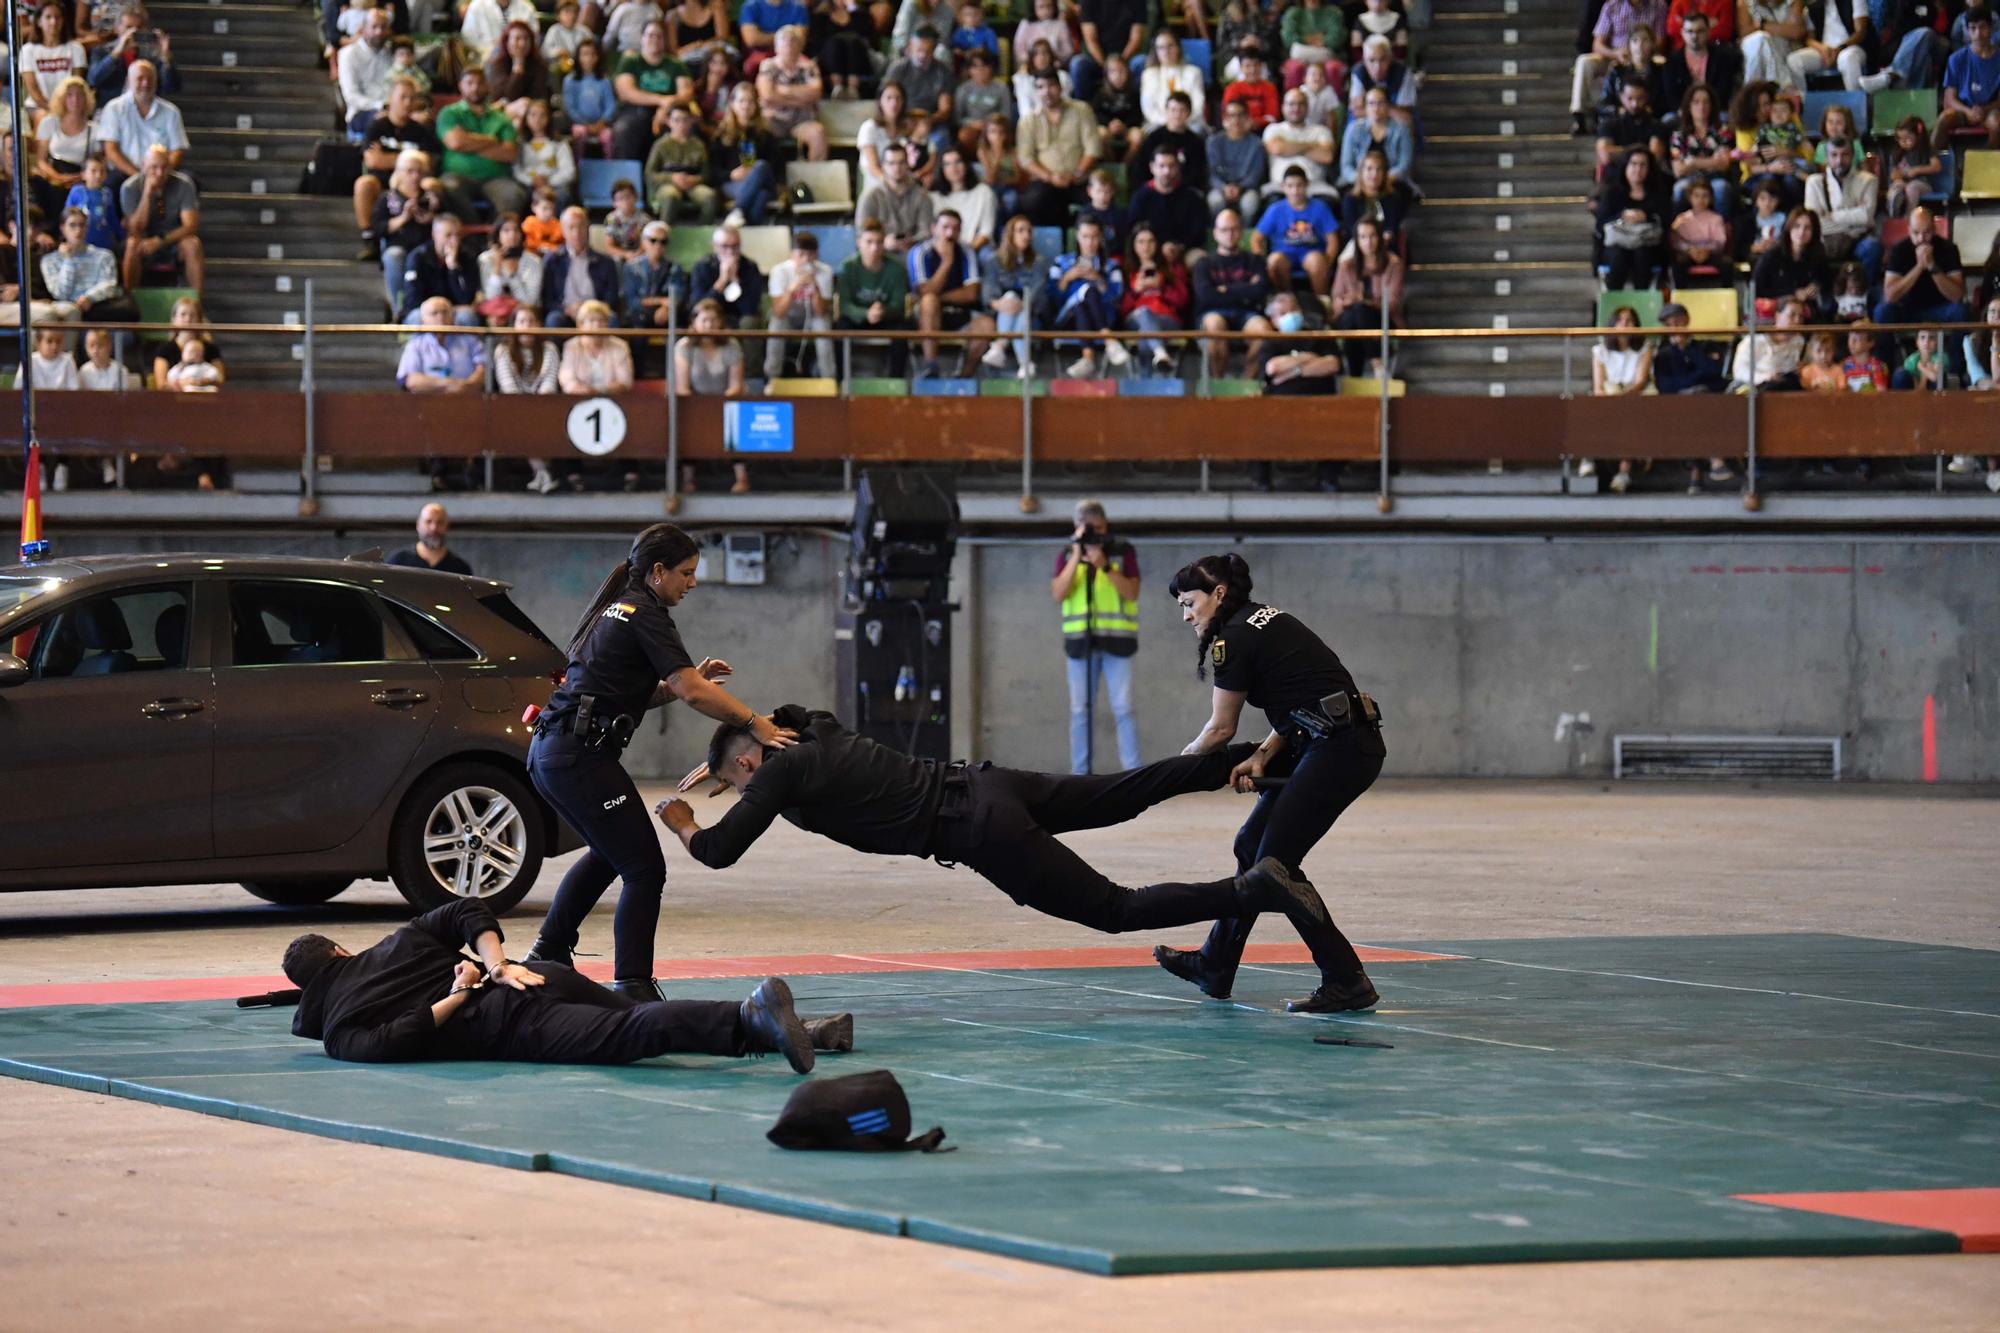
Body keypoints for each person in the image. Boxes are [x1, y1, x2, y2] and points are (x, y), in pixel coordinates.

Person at [661, 704, 1353, 1017]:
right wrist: (737, 737)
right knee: (1123, 793)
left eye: (735, 781)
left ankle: (1251, 890)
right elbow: (782, 716)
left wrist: (682, 818)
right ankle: (1271, 753)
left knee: (1116, 908)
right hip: (987, 783)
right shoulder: (815, 728)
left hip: (977, 827)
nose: (739, 792)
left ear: (750, 762)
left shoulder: (779, 773)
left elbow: (719, 852)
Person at [522, 525, 799, 995]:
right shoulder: (645, 614)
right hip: (578, 756)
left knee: (611, 855)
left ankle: (548, 953)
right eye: (685, 573)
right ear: (657, 572)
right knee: (644, 867)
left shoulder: (620, 607)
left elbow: (635, 692)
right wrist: (755, 723)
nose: (691, 583)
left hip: (552, 752)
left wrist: (682, 683)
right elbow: (694, 692)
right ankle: (632, 984)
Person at [1151, 553, 1388, 1014]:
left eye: (1190, 604)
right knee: (1251, 847)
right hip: (1329, 739)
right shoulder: (1262, 620)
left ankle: (1346, 980)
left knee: (1274, 866)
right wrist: (1263, 753)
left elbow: (1220, 730)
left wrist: (1170, 772)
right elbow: (1304, 696)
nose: (1186, 616)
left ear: (1218, 594)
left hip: (1337, 750)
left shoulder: (1232, 638)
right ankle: (1214, 965)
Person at [277, 900, 826, 1072]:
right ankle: (791, 1031)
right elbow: (467, 911)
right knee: (628, 1016)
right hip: (540, 974)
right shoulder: (400, 939)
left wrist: (468, 988)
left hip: (508, 1018)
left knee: (628, 1032)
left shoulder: (340, 1027)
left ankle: (754, 1017)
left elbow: (394, 1039)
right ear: (339, 950)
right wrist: (497, 964)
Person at [1050, 498, 1141, 771]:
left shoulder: (1122, 551)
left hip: (1118, 643)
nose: (1095, 535)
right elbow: (1058, 593)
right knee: (1080, 711)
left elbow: (1131, 592)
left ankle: (1133, 773)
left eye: (1099, 528)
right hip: (1080, 644)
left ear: (1106, 525)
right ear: (1077, 527)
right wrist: (1078, 554)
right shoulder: (1066, 554)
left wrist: (1104, 566)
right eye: (1088, 529)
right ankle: (1080, 776)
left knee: (1123, 709)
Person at [354, 78, 443, 258]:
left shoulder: (421, 130)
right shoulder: (377, 127)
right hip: (382, 180)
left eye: (412, 98)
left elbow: (427, 163)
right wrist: (410, 158)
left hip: (414, 181)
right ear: (391, 99)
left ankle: (433, 234)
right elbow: (372, 161)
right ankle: (370, 239)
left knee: (434, 184)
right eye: (403, 97)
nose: (408, 103)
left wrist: (388, 158)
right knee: (364, 183)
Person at [908, 207, 994, 376]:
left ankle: (964, 375)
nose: (950, 233)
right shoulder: (920, 252)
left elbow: (971, 293)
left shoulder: (966, 251)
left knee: (987, 325)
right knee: (929, 302)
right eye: (945, 227)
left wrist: (937, 296)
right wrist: (947, 262)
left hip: (960, 312)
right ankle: (931, 365)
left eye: (955, 229)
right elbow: (924, 291)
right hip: (926, 314)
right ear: (934, 229)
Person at [1194, 207, 1272, 377]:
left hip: (1248, 313)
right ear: (1215, 233)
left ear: (1241, 231)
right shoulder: (1204, 263)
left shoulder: (1255, 261)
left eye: (1234, 229)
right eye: (1224, 230)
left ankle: (1246, 388)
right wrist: (1245, 288)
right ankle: (1217, 386)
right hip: (1212, 313)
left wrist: (1224, 290)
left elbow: (1259, 291)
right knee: (1215, 326)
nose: (1229, 234)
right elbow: (1205, 296)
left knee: (1265, 332)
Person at [438, 67, 526, 218]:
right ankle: (473, 235)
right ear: (460, 86)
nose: (475, 88)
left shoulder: (501, 118)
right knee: (448, 187)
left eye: (479, 83)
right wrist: (491, 140)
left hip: (495, 178)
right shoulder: (449, 113)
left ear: (487, 86)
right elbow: (455, 143)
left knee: (514, 195)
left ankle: (498, 236)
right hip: (457, 175)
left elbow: (509, 154)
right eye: (469, 83)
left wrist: (467, 142)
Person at [1018, 67, 1100, 227]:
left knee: (1100, 199)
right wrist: (1050, 177)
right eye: (1040, 87)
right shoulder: (1028, 120)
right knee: (1031, 202)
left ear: (1060, 87)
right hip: (1046, 181)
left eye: (1051, 85)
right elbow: (1025, 159)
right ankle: (1052, 245)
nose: (1046, 91)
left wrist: (1077, 174)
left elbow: (1093, 148)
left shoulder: (1082, 110)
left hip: (1079, 178)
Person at [117, 142, 202, 294]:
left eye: (164, 167)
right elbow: (135, 229)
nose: (159, 173)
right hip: (143, 240)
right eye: (153, 167)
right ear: (144, 166)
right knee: (132, 244)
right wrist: (147, 194)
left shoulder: (184, 184)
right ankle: (130, 301)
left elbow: (190, 226)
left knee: (193, 244)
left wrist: (160, 240)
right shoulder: (130, 187)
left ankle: (196, 303)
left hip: (172, 240)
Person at [1047, 215, 1125, 377]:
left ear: (1101, 237)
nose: (1089, 242)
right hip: (1069, 319)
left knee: (1084, 300)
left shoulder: (1111, 266)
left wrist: (1099, 280)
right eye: (1085, 237)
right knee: (1084, 293)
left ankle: (1088, 358)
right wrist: (1067, 278)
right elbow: (1052, 297)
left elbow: (1117, 300)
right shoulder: (1061, 262)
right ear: (1077, 236)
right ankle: (1109, 340)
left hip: (1102, 317)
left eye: (1094, 236)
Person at [1329, 214, 1403, 378]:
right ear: (1356, 240)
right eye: (1362, 237)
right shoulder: (1346, 265)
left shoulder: (1393, 264)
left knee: (1360, 311)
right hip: (1349, 319)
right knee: (1353, 315)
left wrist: (1366, 302)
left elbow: (1393, 302)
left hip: (1382, 319)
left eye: (1372, 236)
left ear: (1380, 237)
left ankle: (1355, 376)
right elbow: (1336, 299)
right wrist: (1348, 301)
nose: (1368, 242)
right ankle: (1377, 364)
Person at [836, 219, 913, 377]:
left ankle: (896, 381)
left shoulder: (897, 269)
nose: (874, 247)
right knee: (839, 328)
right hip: (857, 318)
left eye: (879, 242)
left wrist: (882, 311)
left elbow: (899, 305)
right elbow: (845, 305)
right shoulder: (847, 267)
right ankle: (841, 379)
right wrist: (866, 313)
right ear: (859, 243)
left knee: (903, 329)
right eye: (869, 242)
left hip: (886, 317)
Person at [1872, 206, 1967, 330]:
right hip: (1907, 309)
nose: (1921, 238)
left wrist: (1932, 267)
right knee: (1882, 311)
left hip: (1940, 307)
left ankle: (1953, 350)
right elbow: (1890, 296)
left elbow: (1957, 295)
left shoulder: (1949, 249)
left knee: (1961, 311)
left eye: (1926, 232)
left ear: (1934, 229)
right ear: (1909, 230)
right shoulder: (1899, 251)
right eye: (1916, 233)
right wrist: (1919, 267)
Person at [611, 20, 694, 162]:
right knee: (623, 130)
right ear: (642, 38)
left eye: (659, 36)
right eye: (650, 35)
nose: (654, 40)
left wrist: (668, 105)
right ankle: (627, 179)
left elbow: (686, 93)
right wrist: (661, 100)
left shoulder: (676, 64)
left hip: (669, 112)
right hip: (634, 110)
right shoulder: (630, 61)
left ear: (665, 40)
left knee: (684, 127)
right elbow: (626, 92)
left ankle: (673, 177)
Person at [1254, 164, 1340, 298]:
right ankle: (1286, 303)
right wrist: (1262, 262)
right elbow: (1257, 238)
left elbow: (1333, 239)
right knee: (1274, 261)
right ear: (1283, 187)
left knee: (1317, 261)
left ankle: (1323, 303)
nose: (1295, 191)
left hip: (1311, 254)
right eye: (1290, 186)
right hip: (1284, 255)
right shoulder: (1275, 209)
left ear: (1307, 185)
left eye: (1299, 185)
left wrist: (1327, 262)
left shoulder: (1320, 207)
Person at [94, 59, 186, 180]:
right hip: (125, 173)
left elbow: (177, 150)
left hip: (163, 174)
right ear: (129, 81)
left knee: (189, 182)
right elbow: (111, 150)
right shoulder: (114, 108)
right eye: (140, 78)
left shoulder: (171, 112)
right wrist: (138, 177)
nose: (145, 83)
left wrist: (161, 174)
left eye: (150, 79)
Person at [1119, 222, 1188, 375]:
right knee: (1144, 314)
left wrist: (1162, 288)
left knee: (1146, 332)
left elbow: (1182, 301)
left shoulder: (1171, 267)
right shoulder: (1126, 269)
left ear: (1157, 244)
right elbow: (1121, 310)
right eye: (1141, 242)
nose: (1146, 246)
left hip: (1167, 320)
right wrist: (1136, 291)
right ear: (1133, 244)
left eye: (1151, 241)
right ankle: (1160, 353)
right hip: (1135, 320)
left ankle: (1146, 387)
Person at [766, 230, 835, 379]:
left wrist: (815, 289)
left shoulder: (825, 272)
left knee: (823, 325)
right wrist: (792, 289)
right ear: (792, 254)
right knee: (776, 325)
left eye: (810, 255)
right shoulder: (779, 271)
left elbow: (821, 312)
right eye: (801, 254)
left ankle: (829, 377)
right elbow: (778, 311)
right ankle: (771, 377)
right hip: (787, 316)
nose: (806, 260)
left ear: (816, 255)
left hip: (813, 317)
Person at [1596, 147, 1668, 291]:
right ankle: (1614, 304)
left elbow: (1666, 221)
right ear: (1625, 166)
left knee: (1642, 255)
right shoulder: (1612, 193)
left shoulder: (1658, 193)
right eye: (1633, 164)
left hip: (1647, 244)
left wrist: (1646, 217)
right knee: (1618, 256)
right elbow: (1600, 224)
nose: (1638, 169)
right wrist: (1622, 217)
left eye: (1643, 165)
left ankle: (1641, 302)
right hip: (1618, 243)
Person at [754, 24, 829, 162]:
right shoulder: (768, 65)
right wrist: (801, 99)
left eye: (793, 40)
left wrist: (784, 91)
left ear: (800, 46)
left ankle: (814, 177)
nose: (789, 44)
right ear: (776, 47)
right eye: (784, 40)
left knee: (818, 133)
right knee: (758, 130)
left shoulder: (809, 66)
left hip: (802, 121)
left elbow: (816, 93)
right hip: (773, 119)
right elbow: (767, 95)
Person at [540, 205, 622, 328]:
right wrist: (567, 309)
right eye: (571, 227)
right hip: (565, 313)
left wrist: (592, 310)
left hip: (596, 312)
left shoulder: (606, 262)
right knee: (553, 320)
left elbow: (611, 298)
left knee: (612, 320)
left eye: (581, 226)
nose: (576, 232)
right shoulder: (552, 260)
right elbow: (547, 300)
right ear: (563, 230)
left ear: (587, 228)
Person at [1126, 143, 1207, 263]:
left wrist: (1178, 246)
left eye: (1171, 166)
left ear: (1178, 167)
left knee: (1200, 259)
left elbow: (1198, 231)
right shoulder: (1140, 198)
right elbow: (1135, 231)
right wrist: (1157, 247)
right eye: (1161, 166)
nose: (1167, 171)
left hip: (1183, 250)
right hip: (1149, 251)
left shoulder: (1191, 197)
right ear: (1152, 168)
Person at [1933, 7, 2000, 150]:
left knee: (1997, 123)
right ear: (1967, 30)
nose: (1978, 33)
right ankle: (1936, 164)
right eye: (1973, 28)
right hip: (1963, 109)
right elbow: (1950, 98)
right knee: (1944, 119)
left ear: (1991, 27)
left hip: (1990, 110)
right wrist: (1969, 112)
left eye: (1982, 27)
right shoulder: (1956, 59)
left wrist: (1984, 110)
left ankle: (1985, 165)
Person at [713, 82, 779, 226]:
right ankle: (749, 236)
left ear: (756, 105)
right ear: (732, 103)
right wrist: (731, 174)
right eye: (741, 101)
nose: (746, 105)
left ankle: (738, 210)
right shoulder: (721, 135)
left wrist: (754, 172)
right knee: (761, 195)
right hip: (733, 182)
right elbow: (714, 170)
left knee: (761, 166)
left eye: (750, 101)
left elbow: (775, 167)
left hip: (765, 182)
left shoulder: (766, 135)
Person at [857, 141, 934, 255]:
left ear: (908, 164)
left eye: (901, 162)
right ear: (883, 166)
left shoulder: (922, 196)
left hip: (912, 254)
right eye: (891, 163)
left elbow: (927, 232)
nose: (897, 168)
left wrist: (910, 241)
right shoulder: (870, 197)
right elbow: (861, 234)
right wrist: (882, 242)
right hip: (879, 254)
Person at [398, 296, 488, 393]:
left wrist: (466, 387)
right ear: (423, 321)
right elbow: (412, 381)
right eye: (434, 313)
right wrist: (449, 384)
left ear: (453, 317)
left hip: (468, 401)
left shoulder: (471, 341)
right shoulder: (414, 345)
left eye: (445, 312)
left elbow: (483, 372)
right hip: (425, 403)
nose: (440, 317)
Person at [403, 212, 481, 324]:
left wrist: (453, 268)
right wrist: (438, 311)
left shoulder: (468, 257)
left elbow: (466, 299)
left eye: (458, 235)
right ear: (434, 234)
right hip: (425, 310)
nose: (454, 241)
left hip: (453, 312)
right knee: (415, 318)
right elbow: (412, 300)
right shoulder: (418, 257)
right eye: (448, 235)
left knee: (467, 316)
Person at [1262, 86, 1337, 200]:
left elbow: (1326, 156)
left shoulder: (1321, 130)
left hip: (1315, 188)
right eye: (1291, 104)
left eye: (1301, 104)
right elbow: (1277, 149)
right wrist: (1311, 145)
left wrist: (1289, 147)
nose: (1296, 108)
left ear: (1307, 107)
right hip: (1280, 188)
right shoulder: (1273, 129)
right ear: (1283, 107)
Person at [689, 224, 767, 326]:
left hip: (738, 316)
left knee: (749, 321)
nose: (730, 252)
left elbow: (749, 308)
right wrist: (722, 281)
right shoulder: (703, 267)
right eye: (725, 246)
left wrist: (735, 281)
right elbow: (698, 306)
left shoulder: (750, 267)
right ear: (715, 247)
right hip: (711, 318)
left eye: (735, 246)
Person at [338, 6, 396, 138]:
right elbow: (351, 96)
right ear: (363, 29)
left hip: (390, 109)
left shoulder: (390, 54)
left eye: (383, 27)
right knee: (382, 121)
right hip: (361, 112)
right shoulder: (348, 55)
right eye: (374, 27)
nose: (379, 32)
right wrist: (380, 106)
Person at [1208, 98, 1269, 222]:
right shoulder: (1214, 142)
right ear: (1225, 118)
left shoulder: (1256, 143)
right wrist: (1224, 187)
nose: (1236, 120)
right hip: (1221, 188)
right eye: (1231, 115)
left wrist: (1240, 188)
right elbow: (1211, 172)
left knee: (1250, 203)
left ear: (1247, 117)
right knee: (1215, 201)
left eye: (1240, 115)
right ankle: (1219, 235)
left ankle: (1244, 237)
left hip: (1247, 189)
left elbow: (1256, 174)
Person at [1340, 84, 1412, 188]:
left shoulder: (1401, 130)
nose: (1375, 108)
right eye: (1371, 103)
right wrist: (1364, 180)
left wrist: (1381, 180)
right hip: (1359, 181)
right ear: (1365, 107)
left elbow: (1404, 165)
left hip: (1392, 181)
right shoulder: (1353, 129)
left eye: (1380, 103)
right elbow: (1346, 166)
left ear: (1388, 106)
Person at [930, 144, 997, 251]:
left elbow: (986, 232)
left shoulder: (984, 192)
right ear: (941, 169)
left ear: (966, 165)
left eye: (958, 162)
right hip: (943, 249)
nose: (953, 168)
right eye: (947, 164)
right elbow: (933, 233)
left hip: (976, 248)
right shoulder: (933, 197)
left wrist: (966, 254)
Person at [385, 502, 474, 573]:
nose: (434, 528)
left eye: (440, 522)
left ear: (447, 526)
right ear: (418, 525)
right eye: (428, 521)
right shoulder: (397, 562)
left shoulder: (460, 568)